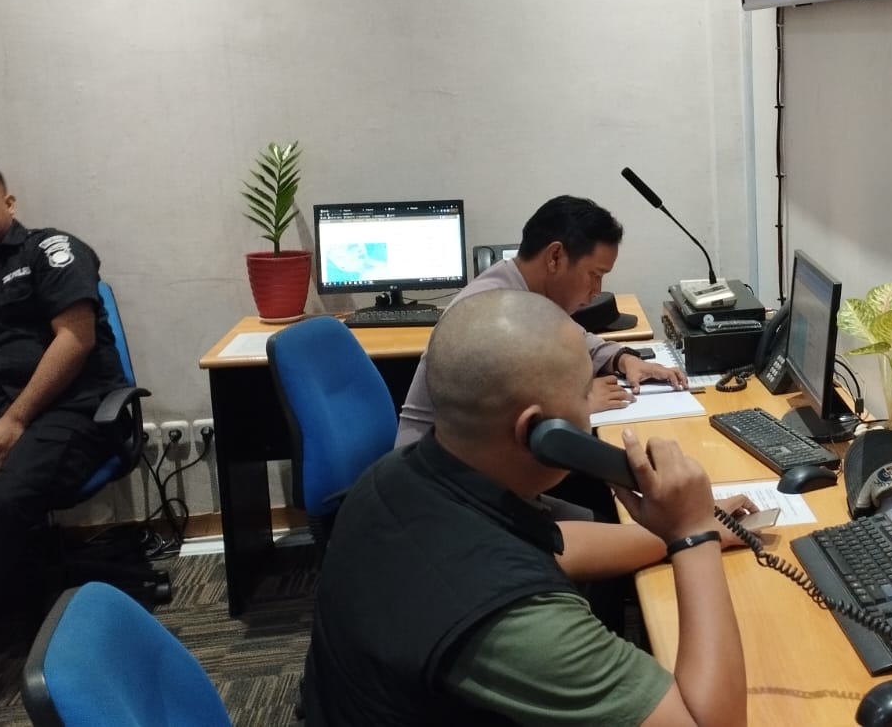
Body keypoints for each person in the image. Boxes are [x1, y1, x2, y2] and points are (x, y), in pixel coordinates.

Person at [305, 290, 748, 727]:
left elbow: (553, 548)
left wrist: (676, 527)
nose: (590, 410)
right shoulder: (515, 622)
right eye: (584, 394)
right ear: (540, 431)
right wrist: (694, 537)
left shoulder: (394, 478)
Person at [0, 158, 130, 722]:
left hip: (77, 409)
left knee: (3, 500)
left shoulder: (52, 250)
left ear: (8, 203)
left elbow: (75, 340)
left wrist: (16, 420)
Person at [396, 194, 686, 448]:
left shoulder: (523, 290)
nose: (597, 290)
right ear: (555, 257)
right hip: (442, 473)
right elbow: (504, 420)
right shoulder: (491, 315)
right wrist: (578, 405)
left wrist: (623, 359)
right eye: (595, 275)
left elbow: (573, 335)